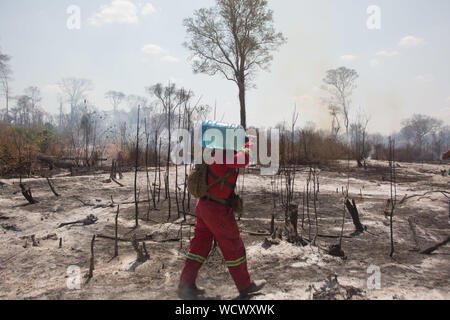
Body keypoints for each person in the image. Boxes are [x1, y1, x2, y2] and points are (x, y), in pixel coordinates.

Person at [177, 138, 265, 299]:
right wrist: (248, 145)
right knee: (233, 245)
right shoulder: (222, 154)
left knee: (199, 247)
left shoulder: (215, 153)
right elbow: (244, 160)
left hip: (205, 206)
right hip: (216, 210)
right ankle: (245, 286)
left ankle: (185, 284)